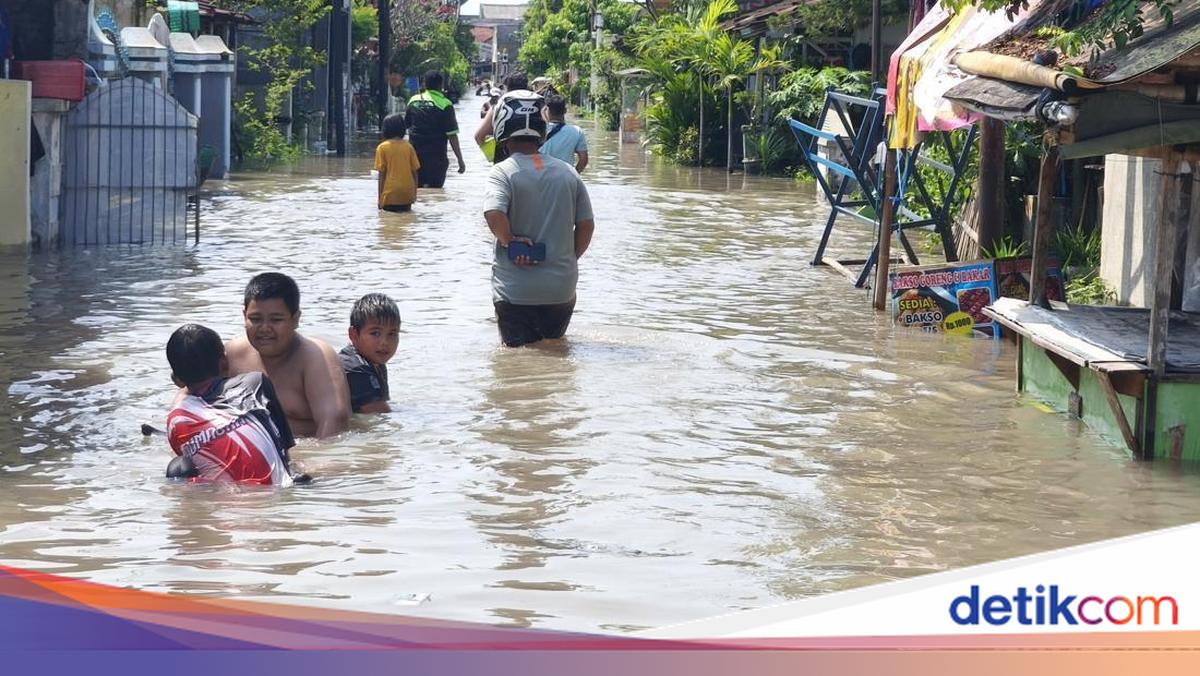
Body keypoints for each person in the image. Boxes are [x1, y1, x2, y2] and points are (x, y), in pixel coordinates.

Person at [483, 91, 596, 347]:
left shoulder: (502, 172)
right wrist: (568, 258)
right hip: (561, 289)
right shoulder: (568, 172)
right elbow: (587, 225)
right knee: (555, 352)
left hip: (515, 290)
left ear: (502, 127)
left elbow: (494, 214)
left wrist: (510, 240)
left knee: (516, 364)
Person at [164, 324, 299, 486]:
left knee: (177, 467)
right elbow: (284, 447)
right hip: (279, 490)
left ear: (177, 380)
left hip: (226, 501)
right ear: (224, 363)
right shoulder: (256, 383)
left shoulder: (176, 421)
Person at [226, 273, 351, 439]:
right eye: (255, 319)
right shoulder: (231, 354)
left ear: (296, 319)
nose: (264, 328)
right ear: (244, 316)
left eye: (276, 320)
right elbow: (189, 396)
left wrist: (313, 464)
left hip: (301, 453)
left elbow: (335, 423)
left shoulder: (316, 358)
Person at [340, 293, 400, 414]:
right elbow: (380, 414)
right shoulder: (357, 369)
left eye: (392, 334)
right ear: (354, 335)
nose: (385, 342)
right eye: (375, 333)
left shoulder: (375, 362)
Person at [405, 71, 466, 189]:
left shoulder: (413, 101)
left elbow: (405, 128)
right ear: (441, 85)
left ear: (424, 84)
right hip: (437, 160)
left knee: (417, 192)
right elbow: (452, 135)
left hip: (414, 158)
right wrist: (460, 159)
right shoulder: (446, 104)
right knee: (436, 194)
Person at [474, 71, 530, 165]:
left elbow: (479, 136)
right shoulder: (539, 104)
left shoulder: (500, 105)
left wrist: (491, 154)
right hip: (536, 162)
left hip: (506, 162)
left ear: (507, 88)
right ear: (526, 86)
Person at [375, 113, 421, 212]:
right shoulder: (409, 147)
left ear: (385, 129)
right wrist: (414, 194)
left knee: (388, 222)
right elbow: (415, 173)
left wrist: (380, 199)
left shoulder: (382, 148)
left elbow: (382, 175)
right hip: (407, 194)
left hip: (390, 194)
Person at [539, 95, 589, 173]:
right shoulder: (576, 131)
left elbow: (532, 156)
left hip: (541, 177)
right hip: (565, 178)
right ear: (565, 111)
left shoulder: (538, 131)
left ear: (547, 110)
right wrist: (574, 174)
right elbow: (583, 159)